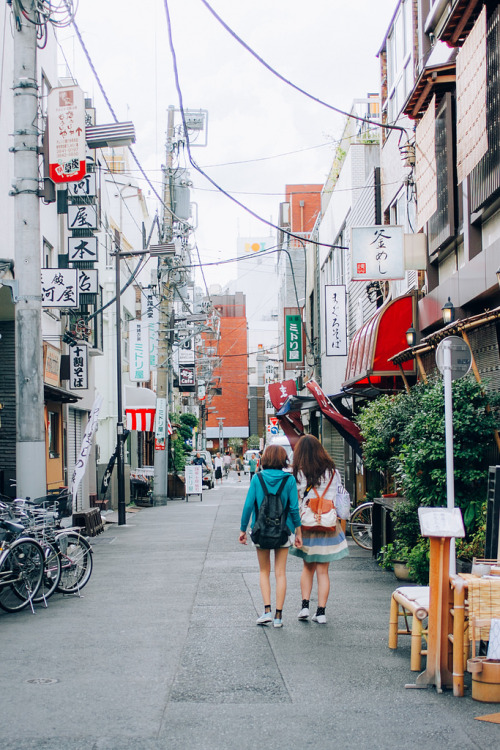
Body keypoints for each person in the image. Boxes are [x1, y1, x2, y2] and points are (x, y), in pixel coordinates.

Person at [239, 444, 302, 628]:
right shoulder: (289, 480)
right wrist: (298, 531)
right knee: (280, 573)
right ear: (283, 459)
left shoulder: (257, 479)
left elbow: (248, 505)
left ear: (265, 459)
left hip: (261, 530)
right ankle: (278, 617)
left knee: (264, 571)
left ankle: (266, 610)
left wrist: (243, 529)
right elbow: (294, 509)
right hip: (283, 531)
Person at [289, 434, 348, 624]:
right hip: (329, 525)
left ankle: (304, 607)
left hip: (307, 524)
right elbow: (339, 497)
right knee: (323, 571)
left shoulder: (298, 473)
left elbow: (296, 499)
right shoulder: (332, 471)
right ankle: (321, 612)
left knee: (307, 568)